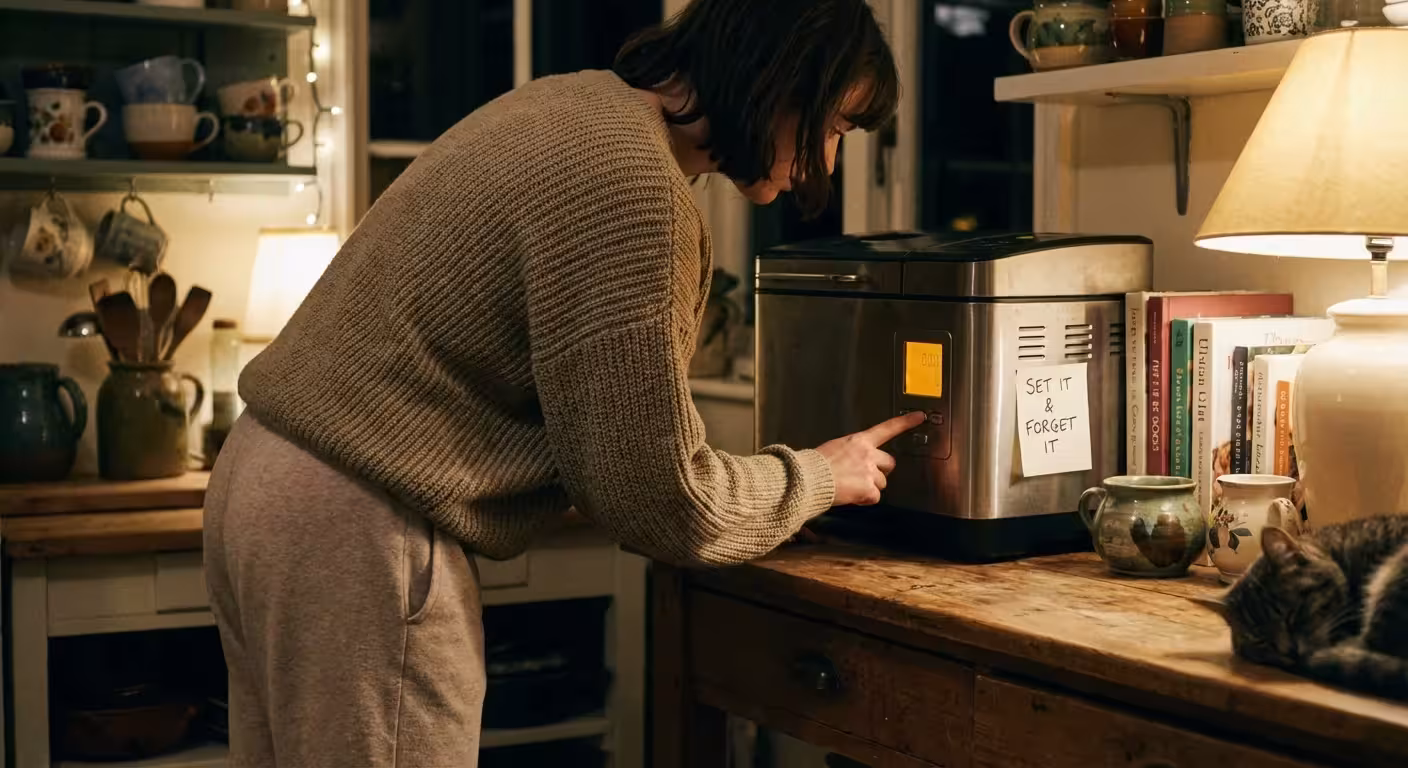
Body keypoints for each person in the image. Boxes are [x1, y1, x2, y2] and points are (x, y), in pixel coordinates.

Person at [203, 0, 918, 763]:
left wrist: (765, 499)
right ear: (783, 82)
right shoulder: (636, 186)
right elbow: (660, 501)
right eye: (836, 128)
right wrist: (816, 476)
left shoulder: (574, 102)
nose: (827, 165)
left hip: (263, 485)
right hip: (357, 528)